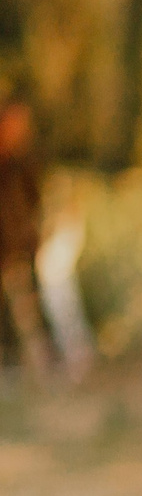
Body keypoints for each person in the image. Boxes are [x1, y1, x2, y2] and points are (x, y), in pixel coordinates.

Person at [0, 98, 51, 375]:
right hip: (5, 242)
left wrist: (33, 233)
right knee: (8, 307)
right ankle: (12, 361)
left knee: (31, 301)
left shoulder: (26, 160)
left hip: (20, 241)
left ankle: (45, 359)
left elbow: (34, 201)